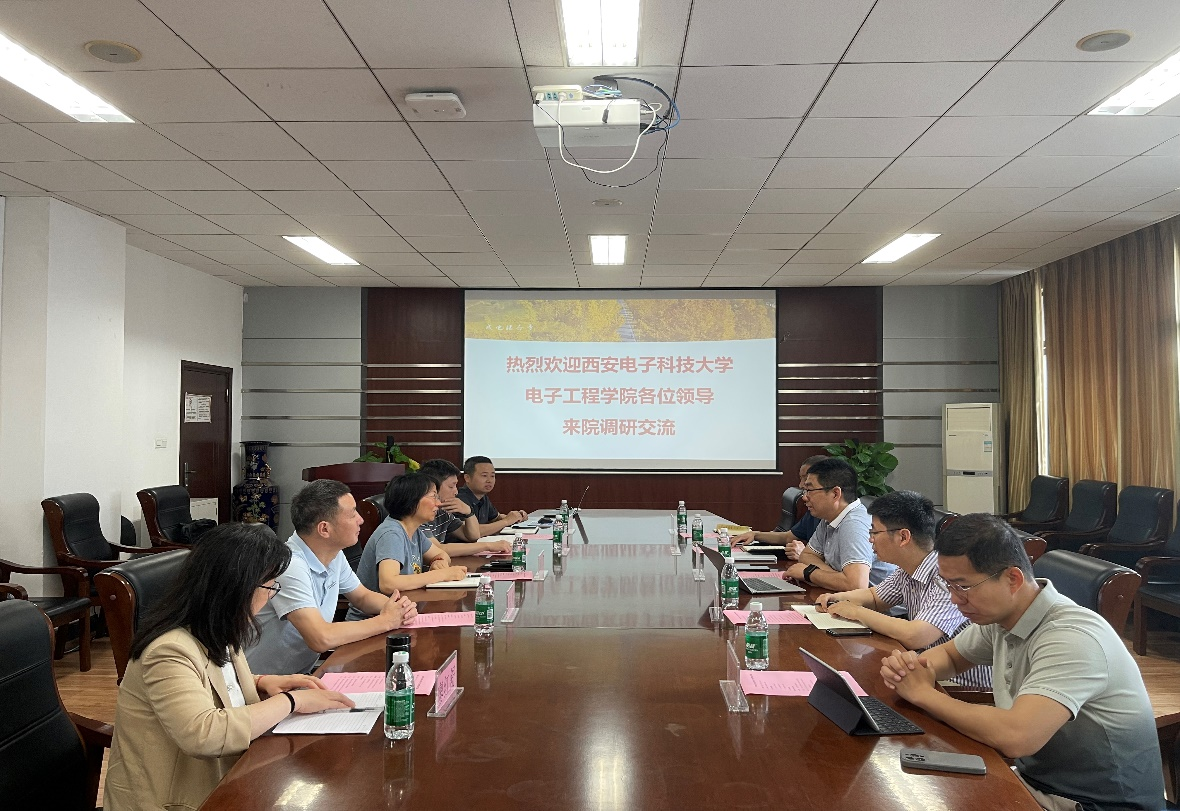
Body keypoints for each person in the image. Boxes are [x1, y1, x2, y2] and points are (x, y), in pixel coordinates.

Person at [880, 514, 1163, 811]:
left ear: (1012, 579)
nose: (954, 599)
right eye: (948, 586)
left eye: (962, 586)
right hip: (1036, 782)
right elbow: (950, 656)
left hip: (1098, 803)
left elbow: (1017, 737)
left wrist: (923, 694)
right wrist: (911, 668)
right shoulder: (1001, 617)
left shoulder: (1071, 637)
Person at [103, 523, 356, 811]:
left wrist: (260, 681)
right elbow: (203, 734)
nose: (271, 595)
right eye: (270, 587)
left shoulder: (216, 628)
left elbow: (209, 678)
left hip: (227, 776)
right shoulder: (169, 650)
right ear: (237, 588)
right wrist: (292, 701)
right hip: (174, 800)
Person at [815, 490, 990, 689]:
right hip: (926, 668)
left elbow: (916, 635)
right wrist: (837, 598)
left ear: (903, 537)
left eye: (874, 532)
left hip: (958, 686)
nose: (870, 539)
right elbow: (875, 597)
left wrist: (856, 611)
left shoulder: (945, 575)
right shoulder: (908, 568)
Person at [246, 479, 418, 675]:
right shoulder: (289, 565)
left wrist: (397, 608)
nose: (360, 520)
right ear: (324, 529)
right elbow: (320, 638)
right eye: (352, 514)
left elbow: (362, 597)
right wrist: (386, 621)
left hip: (299, 677)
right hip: (260, 685)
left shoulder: (333, 555)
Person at [347, 472, 471, 619]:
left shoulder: (414, 531)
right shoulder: (392, 533)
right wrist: (441, 574)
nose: (438, 503)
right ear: (411, 500)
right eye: (433, 496)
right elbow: (388, 583)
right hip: (373, 620)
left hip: (403, 614)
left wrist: (438, 562)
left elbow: (441, 554)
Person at [783, 457, 893, 590]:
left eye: (810, 490)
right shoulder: (830, 517)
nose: (804, 497)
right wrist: (836, 577)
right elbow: (807, 555)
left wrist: (809, 573)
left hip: (879, 604)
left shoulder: (854, 525)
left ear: (835, 494)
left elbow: (857, 585)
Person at [733, 454, 826, 559]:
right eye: (801, 478)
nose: (801, 485)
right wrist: (755, 535)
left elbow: (834, 564)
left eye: (806, 479)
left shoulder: (838, 522)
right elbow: (788, 537)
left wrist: (803, 555)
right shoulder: (814, 512)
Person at [418, 458, 512, 557]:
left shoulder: (442, 512)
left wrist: (469, 512)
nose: (456, 492)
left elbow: (472, 536)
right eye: (451, 486)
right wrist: (488, 546)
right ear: (432, 488)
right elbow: (437, 549)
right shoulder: (417, 514)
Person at [457, 455, 528, 536]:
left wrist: (516, 517)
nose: (489, 480)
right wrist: (506, 521)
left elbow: (495, 518)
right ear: (467, 478)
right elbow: (471, 532)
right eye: (484, 475)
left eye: (492, 476)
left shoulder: (483, 497)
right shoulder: (459, 499)